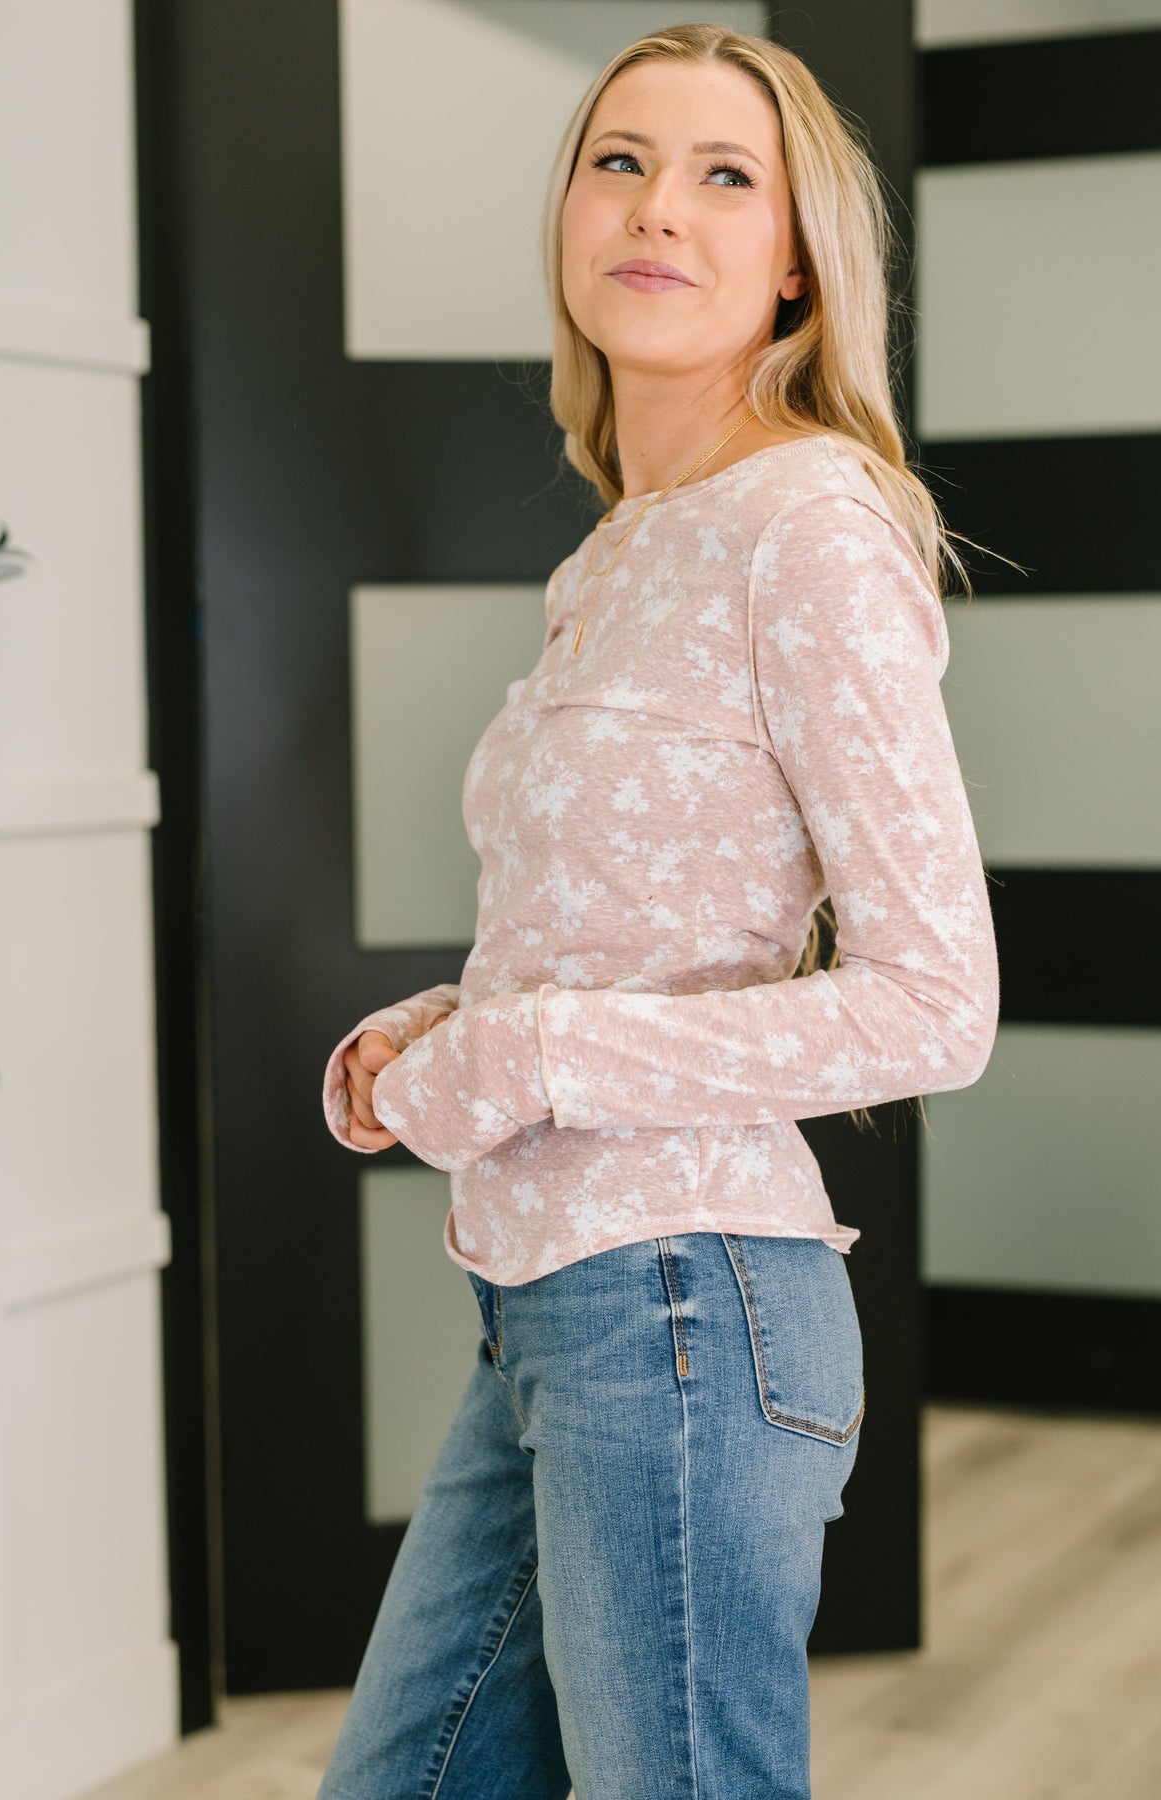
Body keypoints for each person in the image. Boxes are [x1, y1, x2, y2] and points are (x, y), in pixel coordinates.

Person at [317, 21, 1000, 1800]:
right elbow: (624, 928)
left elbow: (936, 1003)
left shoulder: (808, 531)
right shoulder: (620, 543)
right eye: (617, 161)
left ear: (794, 262)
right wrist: (443, 1028)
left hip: (683, 1309)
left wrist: (531, 1053)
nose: (655, 208)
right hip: (546, 1305)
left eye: (722, 176)